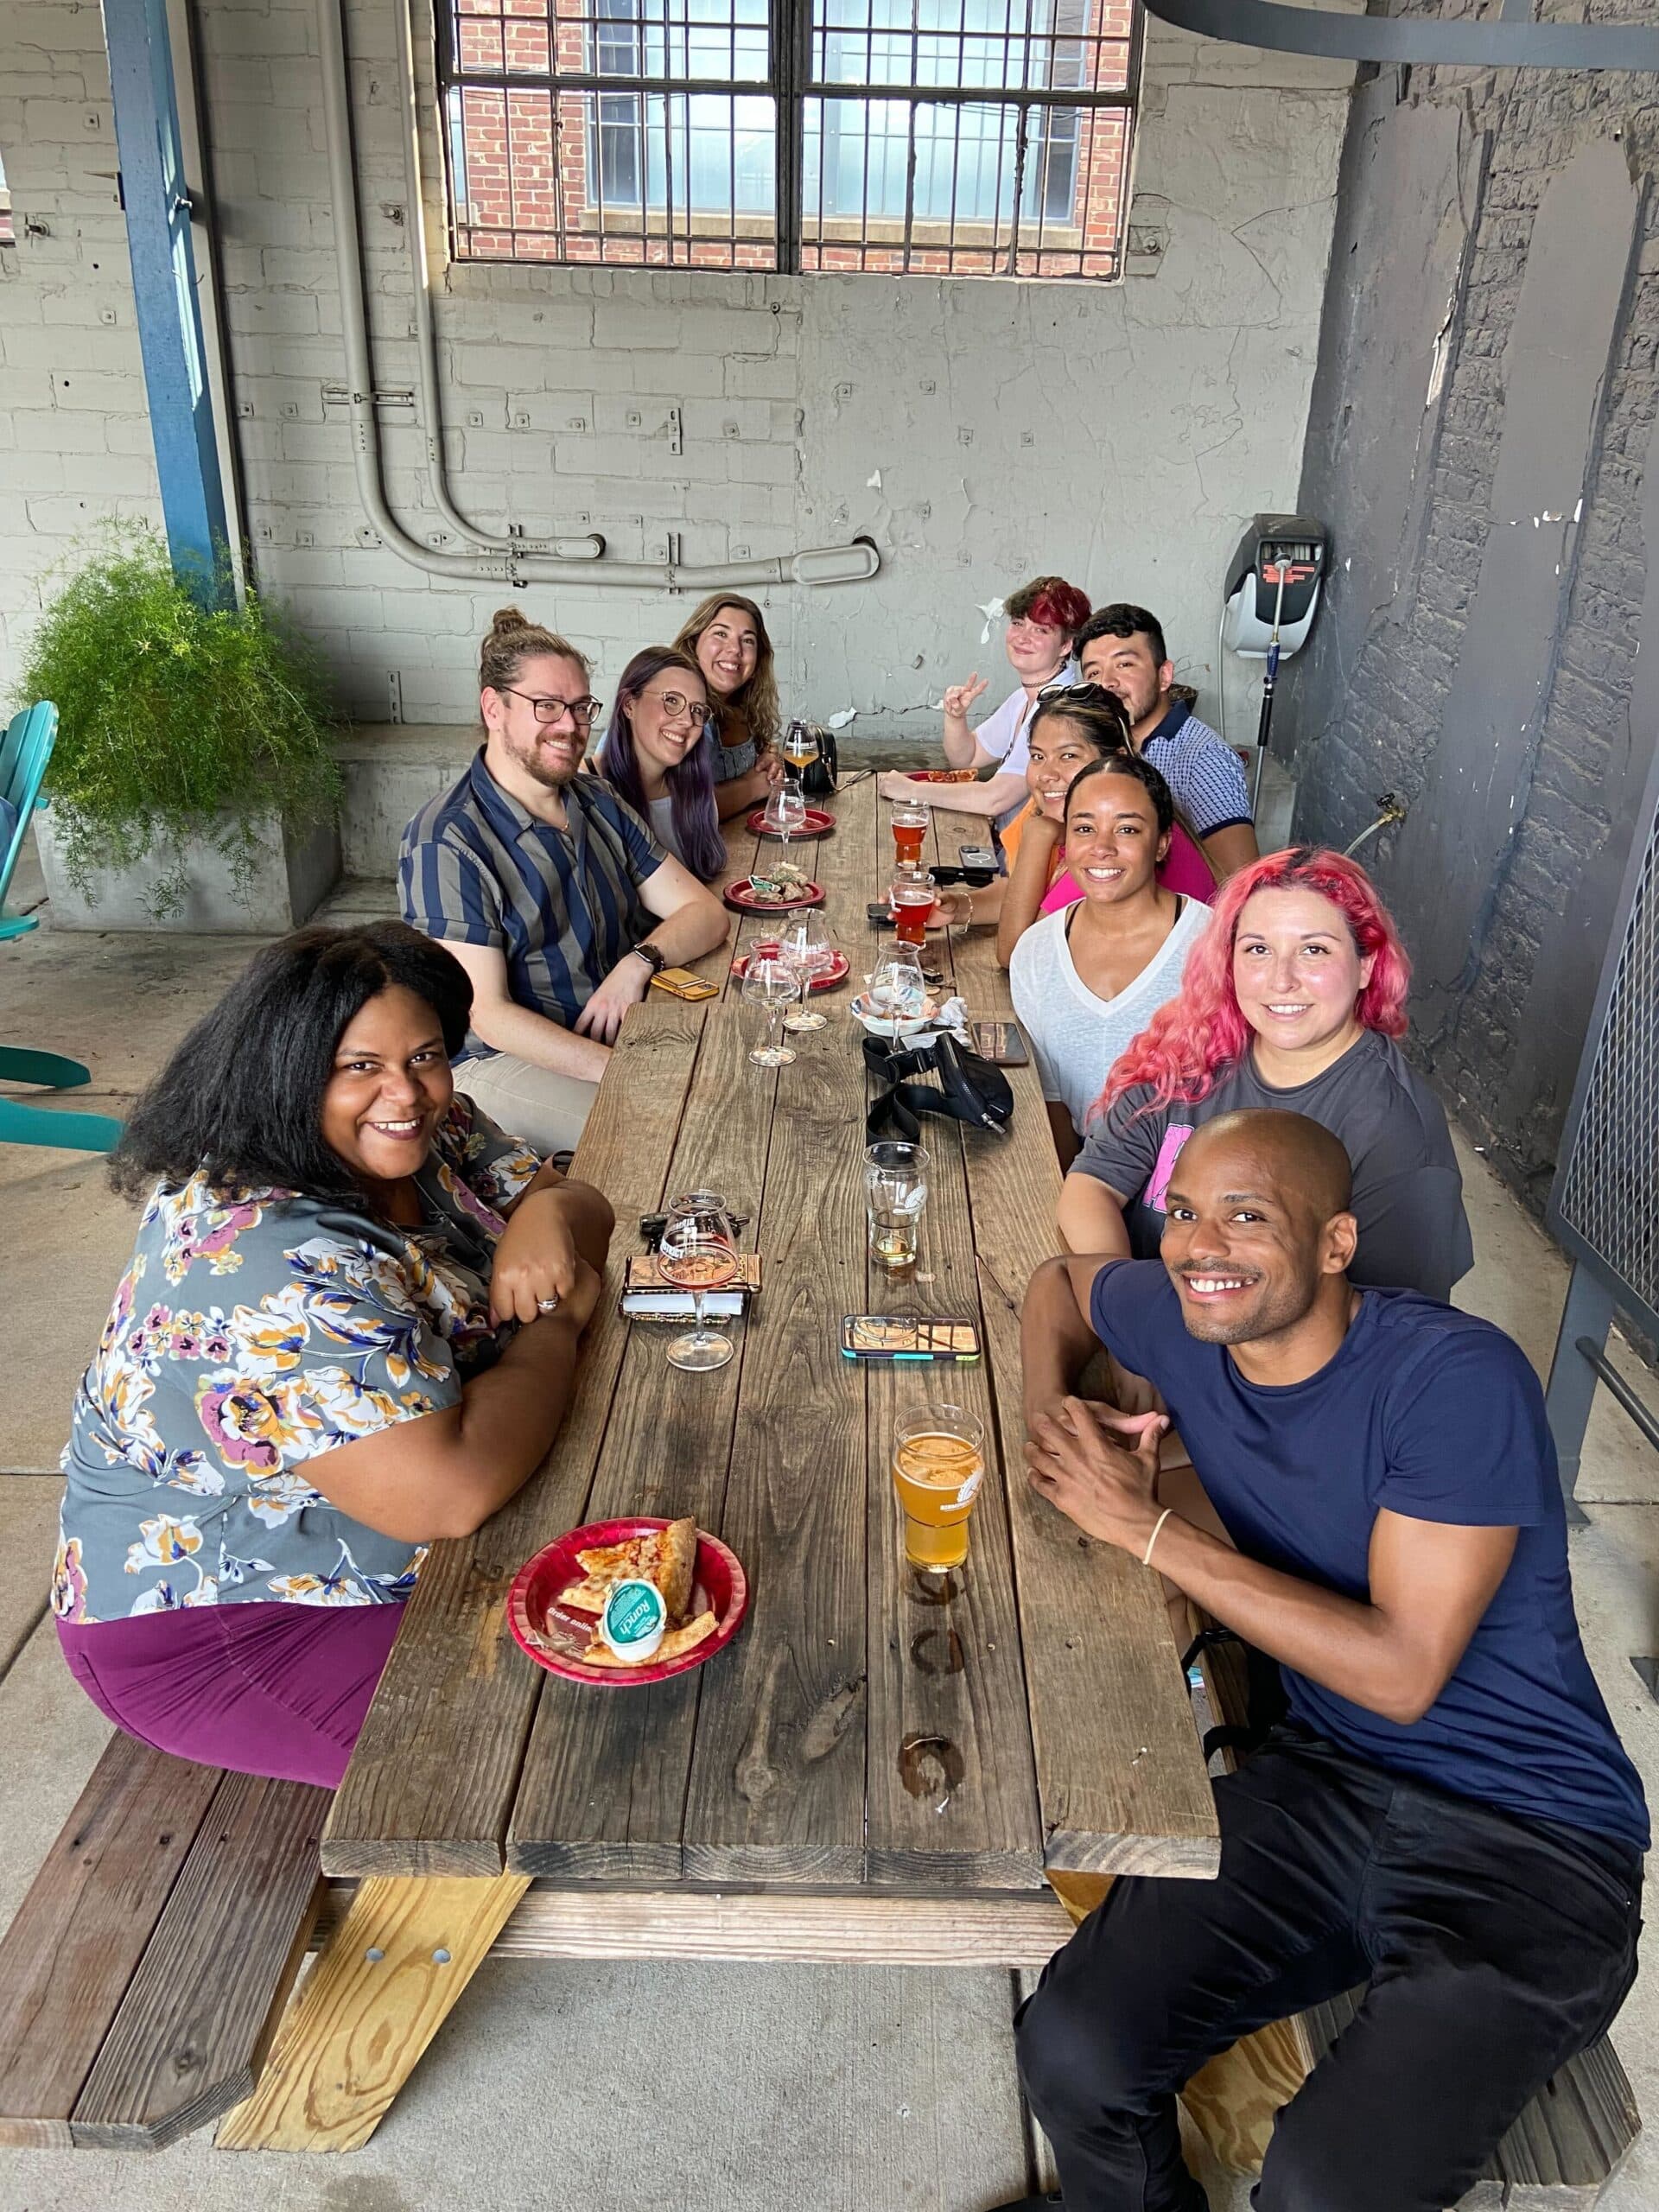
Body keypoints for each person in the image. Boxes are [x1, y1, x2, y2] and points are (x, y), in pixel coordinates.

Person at [1007, 1109, 1645, 2212]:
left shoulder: (1454, 1379)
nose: (1203, 1247)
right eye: (1189, 1213)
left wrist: (1147, 1525)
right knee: (1072, 2046)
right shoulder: (1191, 1308)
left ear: (1335, 1245)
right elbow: (1061, 1286)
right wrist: (1057, 1420)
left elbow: (1403, 1673)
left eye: (1247, 1217)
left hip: (1536, 1844)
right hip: (1331, 1781)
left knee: (1323, 2186)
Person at [53, 923, 614, 1789]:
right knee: (554, 1749)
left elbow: (583, 1207)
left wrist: (544, 1215)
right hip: (230, 1615)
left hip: (370, 1505)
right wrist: (553, 1328)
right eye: (359, 1066)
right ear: (284, 1071)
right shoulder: (264, 1254)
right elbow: (447, 1493)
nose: (407, 1091)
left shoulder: (425, 1123)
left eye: (426, 1054)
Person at [1058, 846, 1473, 1302]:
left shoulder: (1397, 1132)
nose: (1281, 980)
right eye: (1258, 949)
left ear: (1366, 966)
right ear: (1229, 962)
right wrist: (1128, 1309)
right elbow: (1092, 1185)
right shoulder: (1194, 1052)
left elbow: (1391, 1328)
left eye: (1313, 950)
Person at [399, 608, 728, 1158]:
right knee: (677, 1129)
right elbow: (488, 1014)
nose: (571, 726)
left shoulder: (596, 800)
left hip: (614, 1024)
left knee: (750, 1070)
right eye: (547, 706)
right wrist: (623, 1069)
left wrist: (636, 964)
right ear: (494, 709)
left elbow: (705, 913)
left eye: (579, 707)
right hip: (499, 1062)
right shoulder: (447, 840)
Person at [1009, 754, 1211, 1167]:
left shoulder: (1213, 945)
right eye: (1085, 828)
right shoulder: (1036, 951)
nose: (1102, 848)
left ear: (1162, 843)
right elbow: (1053, 1105)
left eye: (1127, 829)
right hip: (1084, 1177)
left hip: (1187, 1182)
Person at [991, 688, 1216, 967]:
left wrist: (1038, 836)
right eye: (1038, 757)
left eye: (1069, 756)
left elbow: (1016, 956)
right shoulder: (1091, 819)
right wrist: (962, 905)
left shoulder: (1114, 848)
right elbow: (1030, 893)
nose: (1046, 775)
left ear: (1116, 760)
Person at [877, 575, 1090, 827]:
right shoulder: (1024, 696)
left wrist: (910, 790)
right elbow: (968, 759)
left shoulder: (1059, 709)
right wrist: (955, 718)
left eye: (1041, 630)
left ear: (1066, 645)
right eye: (1018, 623)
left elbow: (994, 799)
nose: (1022, 637)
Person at [1077, 603, 1259, 880]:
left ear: (1164, 676)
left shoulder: (1203, 757)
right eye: (1094, 673)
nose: (1108, 683)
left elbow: (1238, 879)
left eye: (1124, 664)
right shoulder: (1106, 747)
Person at [589, 645, 726, 882]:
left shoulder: (697, 791)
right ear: (629, 705)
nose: (686, 721)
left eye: (697, 710)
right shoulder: (585, 787)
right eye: (671, 700)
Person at [672, 593, 787, 820]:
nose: (735, 649)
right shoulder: (684, 711)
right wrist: (753, 786)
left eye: (747, 640)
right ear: (694, 641)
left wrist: (768, 764)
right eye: (721, 634)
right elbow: (688, 809)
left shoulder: (744, 707)